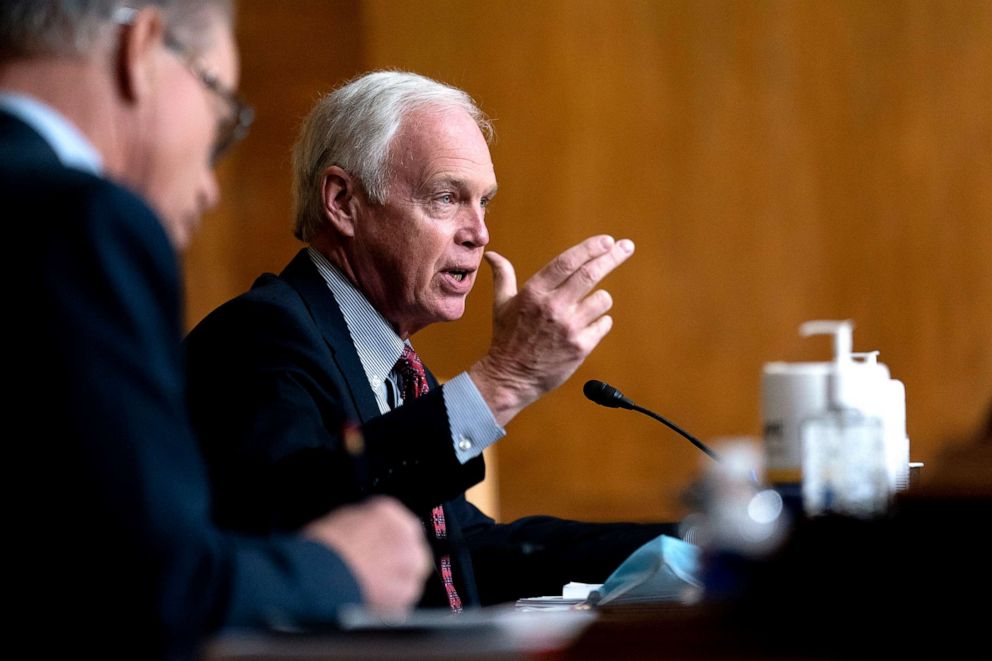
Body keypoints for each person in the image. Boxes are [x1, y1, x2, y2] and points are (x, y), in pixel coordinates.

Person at [2, 4, 430, 658]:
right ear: (141, 49)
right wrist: (340, 566)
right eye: (220, 111)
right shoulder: (83, 221)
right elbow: (154, 592)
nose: (209, 187)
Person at [184, 70, 678, 609]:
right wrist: (501, 382)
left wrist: (687, 544)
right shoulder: (261, 337)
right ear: (343, 201)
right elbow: (306, 524)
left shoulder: (387, 358)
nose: (479, 231)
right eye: (447, 198)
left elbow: (464, 552)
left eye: (483, 201)